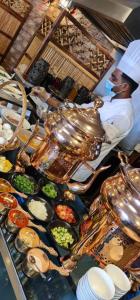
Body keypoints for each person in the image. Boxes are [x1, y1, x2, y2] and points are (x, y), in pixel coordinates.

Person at [33, 40, 140, 182]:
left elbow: (92, 139)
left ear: (124, 86)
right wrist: (46, 97)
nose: (109, 79)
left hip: (74, 170)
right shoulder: (108, 99)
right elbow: (76, 111)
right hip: (60, 156)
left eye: (114, 78)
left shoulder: (124, 116)